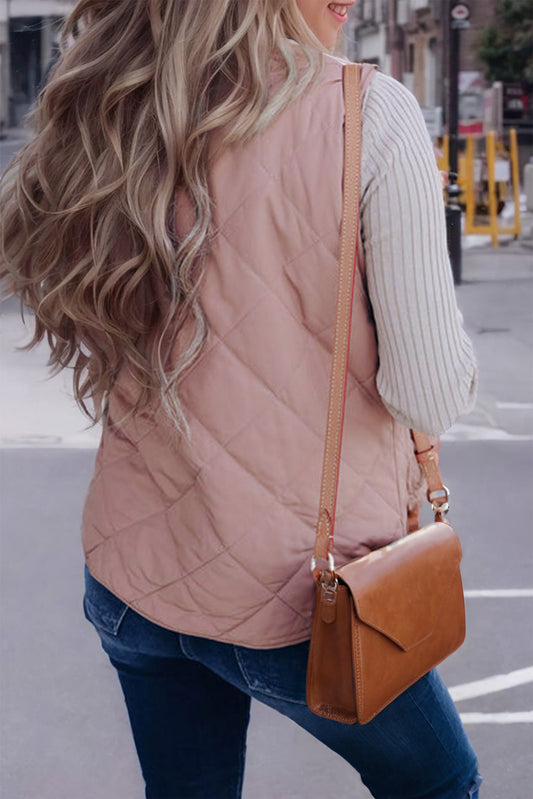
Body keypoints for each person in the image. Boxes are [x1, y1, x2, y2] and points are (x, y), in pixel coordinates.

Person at [0, 1, 482, 797]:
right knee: (440, 781)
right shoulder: (365, 112)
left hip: (136, 575)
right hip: (306, 602)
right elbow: (426, 391)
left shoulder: (122, 109)